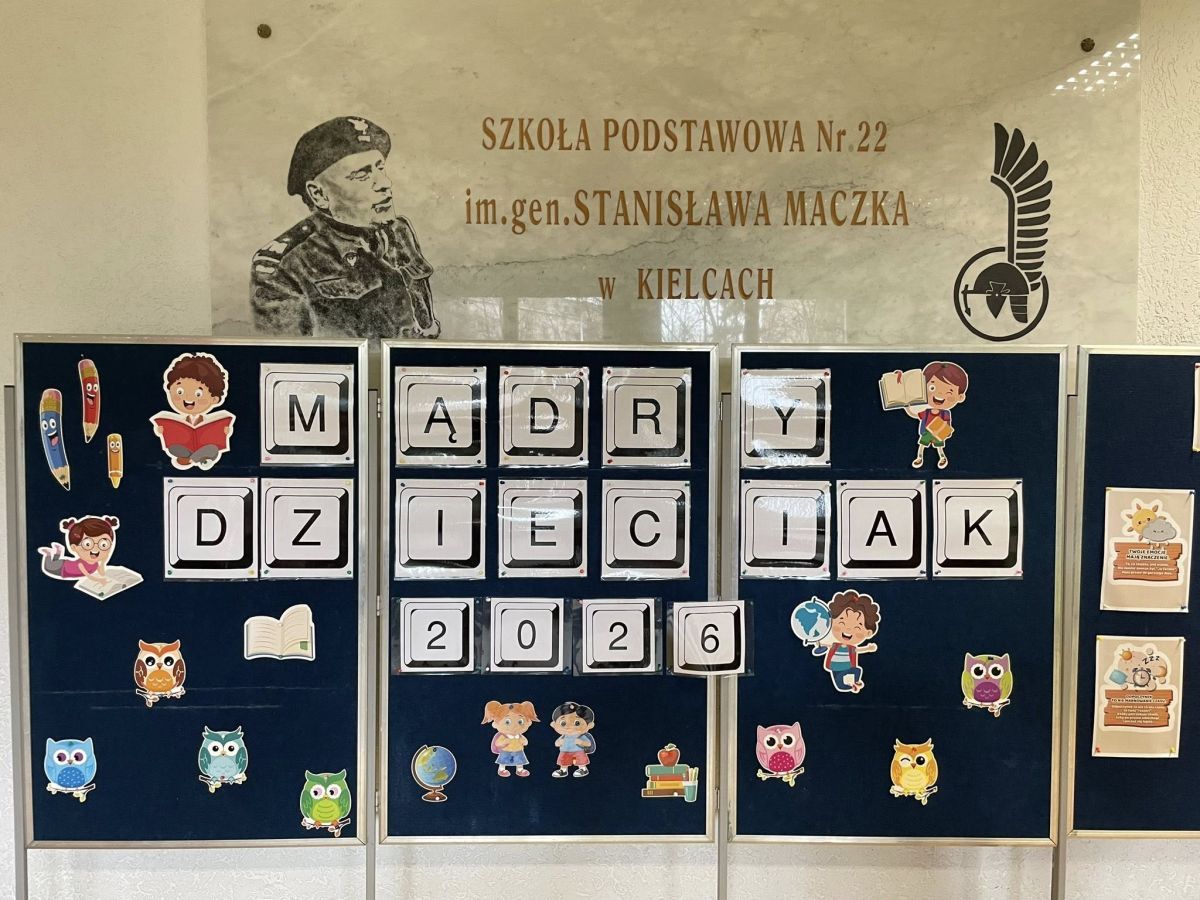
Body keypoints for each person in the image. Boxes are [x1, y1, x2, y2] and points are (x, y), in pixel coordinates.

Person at [250, 116, 440, 339]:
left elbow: (424, 322)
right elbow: (289, 355)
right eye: (362, 174)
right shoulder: (286, 265)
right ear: (319, 194)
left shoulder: (398, 230)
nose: (385, 183)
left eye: (380, 168)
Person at [904, 360, 968, 470]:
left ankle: (942, 458)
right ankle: (919, 457)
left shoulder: (945, 413)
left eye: (949, 392)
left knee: (939, 447)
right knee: (922, 445)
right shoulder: (926, 411)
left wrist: (946, 432)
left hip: (938, 433)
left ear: (960, 397)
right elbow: (914, 414)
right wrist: (905, 403)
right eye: (932, 388)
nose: (939, 394)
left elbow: (947, 424)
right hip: (927, 432)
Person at [814, 590, 880, 693]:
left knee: (857, 670)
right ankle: (850, 685)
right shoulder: (834, 645)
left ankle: (854, 683)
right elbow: (825, 646)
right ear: (831, 621)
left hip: (848, 668)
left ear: (868, 632)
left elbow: (858, 650)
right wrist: (819, 644)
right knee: (839, 683)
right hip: (834, 668)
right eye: (842, 623)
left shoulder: (851, 648)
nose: (848, 629)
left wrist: (868, 648)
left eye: (857, 627)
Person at [550, 701, 596, 778]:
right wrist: (559, 742)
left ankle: (583, 769)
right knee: (563, 760)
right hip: (565, 751)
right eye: (563, 723)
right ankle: (563, 770)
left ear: (589, 725)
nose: (569, 727)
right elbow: (556, 743)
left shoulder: (580, 735)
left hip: (578, 751)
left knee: (580, 760)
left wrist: (581, 742)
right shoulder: (563, 736)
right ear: (554, 725)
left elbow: (588, 743)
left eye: (577, 723)